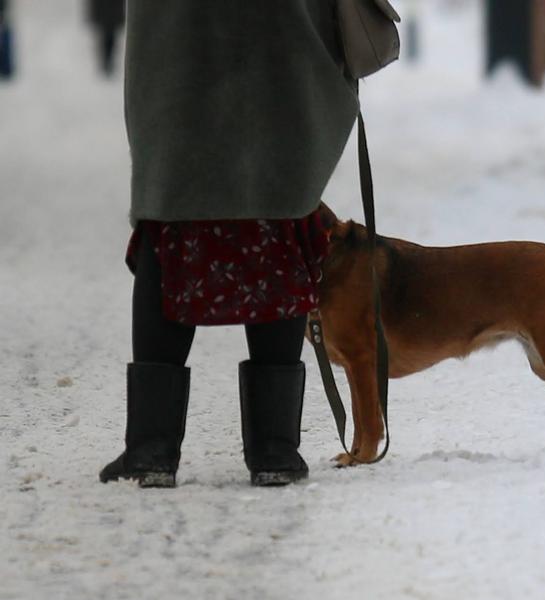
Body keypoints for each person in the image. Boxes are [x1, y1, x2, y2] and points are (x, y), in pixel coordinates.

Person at [100, 2, 360, 487]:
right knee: (275, 228)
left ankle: (152, 448)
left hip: (181, 79)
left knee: (176, 228)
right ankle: (275, 449)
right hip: (279, 71)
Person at [86, 0, 125, 76]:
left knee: (109, 40)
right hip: (107, 17)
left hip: (110, 17)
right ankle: (106, 61)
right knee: (106, 40)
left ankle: (107, 61)